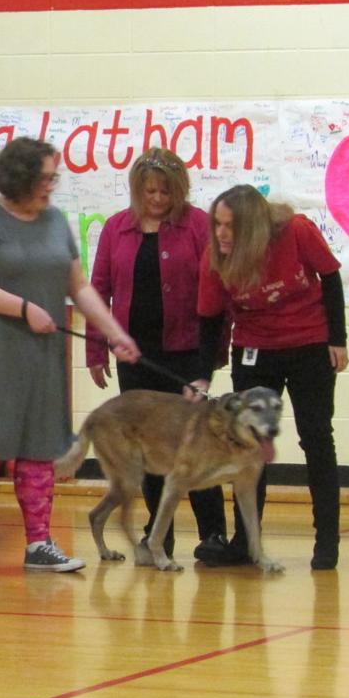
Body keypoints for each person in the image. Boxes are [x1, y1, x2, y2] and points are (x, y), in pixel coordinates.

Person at [0, 137, 140, 572]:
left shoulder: (56, 221)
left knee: (40, 444)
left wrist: (113, 332)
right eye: (44, 177)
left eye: (53, 177)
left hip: (39, 349)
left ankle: (39, 543)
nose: (51, 186)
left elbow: (78, 286)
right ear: (18, 176)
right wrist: (23, 308)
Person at [193, 184, 348, 570]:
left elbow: (330, 277)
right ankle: (245, 540)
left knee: (316, 437)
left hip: (308, 342)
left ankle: (327, 542)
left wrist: (338, 339)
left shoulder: (296, 231)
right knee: (248, 446)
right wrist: (202, 378)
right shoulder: (216, 256)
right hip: (255, 349)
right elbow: (209, 319)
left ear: (255, 227)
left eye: (231, 226)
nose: (223, 233)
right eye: (218, 224)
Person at [86, 147, 227, 557]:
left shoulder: (198, 225)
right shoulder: (117, 228)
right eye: (149, 192)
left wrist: (215, 353)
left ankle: (213, 532)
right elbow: (98, 290)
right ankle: (158, 531)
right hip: (136, 355)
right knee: (145, 446)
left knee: (198, 445)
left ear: (179, 190)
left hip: (185, 352)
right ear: (137, 190)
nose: (158, 199)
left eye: (166, 192)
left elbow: (218, 291)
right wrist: (97, 349)